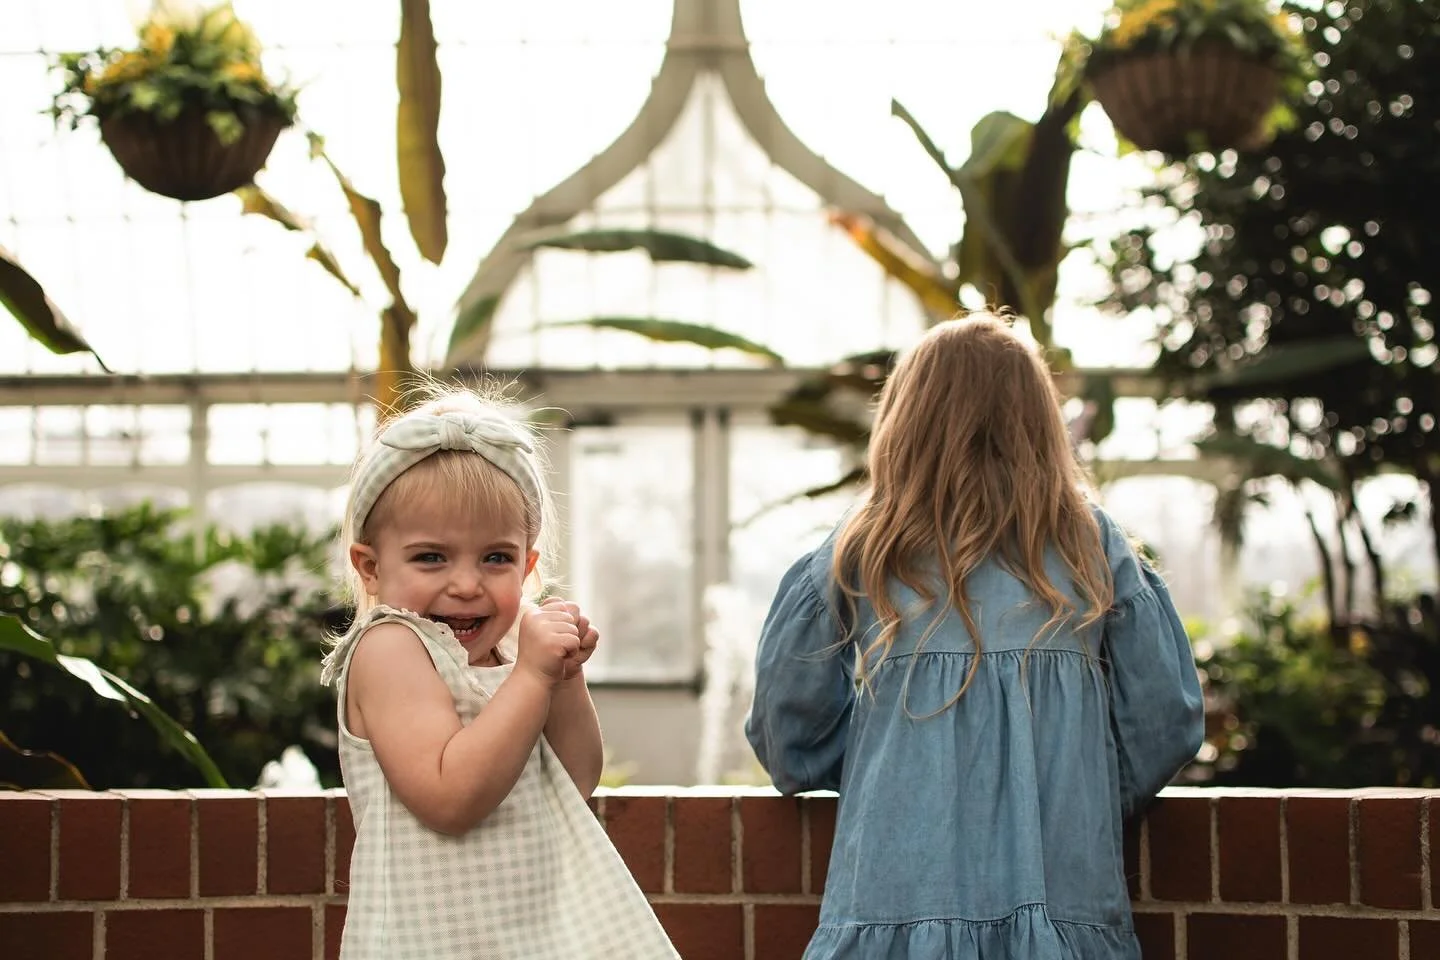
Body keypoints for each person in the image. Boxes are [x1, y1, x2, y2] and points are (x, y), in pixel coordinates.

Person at [746, 314, 1204, 959]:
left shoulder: (860, 551)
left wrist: (896, 768)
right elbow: (1166, 722)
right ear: (1040, 419)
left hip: (891, 910)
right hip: (1062, 912)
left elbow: (786, 736)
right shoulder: (1092, 548)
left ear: (906, 418)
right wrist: (1079, 786)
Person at [321, 387, 679, 960]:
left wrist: (562, 678)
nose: (466, 583)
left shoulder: (510, 658)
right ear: (371, 567)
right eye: (431, 557)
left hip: (531, 937)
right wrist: (533, 679)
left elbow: (576, 778)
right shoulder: (389, 648)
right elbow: (449, 798)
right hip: (431, 943)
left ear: (528, 566)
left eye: (496, 558)